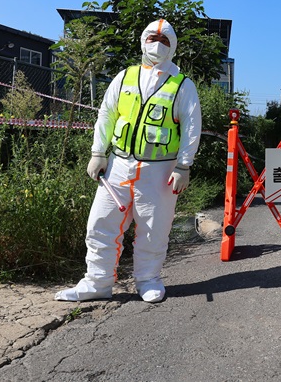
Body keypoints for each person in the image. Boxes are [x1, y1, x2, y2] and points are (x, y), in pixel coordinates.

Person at [56, 19, 202, 303]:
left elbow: (191, 127)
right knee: (100, 223)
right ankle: (97, 283)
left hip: (160, 170)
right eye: (151, 37)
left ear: (173, 47)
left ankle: (148, 279)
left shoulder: (182, 86)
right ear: (142, 40)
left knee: (153, 227)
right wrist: (98, 152)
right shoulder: (124, 77)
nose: (157, 44)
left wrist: (184, 165)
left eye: (164, 39)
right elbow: (107, 114)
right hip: (118, 164)